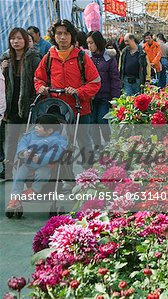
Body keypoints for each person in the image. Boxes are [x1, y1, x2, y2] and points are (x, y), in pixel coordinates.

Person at [34, 19, 101, 167]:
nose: (62, 37)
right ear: (54, 36)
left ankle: (89, 175)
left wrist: (79, 92)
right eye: (59, 33)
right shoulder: (49, 57)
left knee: (84, 142)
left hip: (80, 110)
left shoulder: (81, 57)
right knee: (61, 146)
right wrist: (41, 87)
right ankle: (67, 180)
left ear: (72, 36)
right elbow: (38, 78)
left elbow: (95, 82)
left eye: (66, 33)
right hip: (57, 110)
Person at [2, 28, 42, 179]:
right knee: (11, 139)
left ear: (25, 40)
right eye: (13, 39)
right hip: (11, 105)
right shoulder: (5, 58)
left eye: (19, 38)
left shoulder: (34, 58)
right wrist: (2, 68)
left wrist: (34, 100)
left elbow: (40, 80)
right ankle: (8, 169)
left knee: (30, 139)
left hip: (29, 105)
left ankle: (29, 171)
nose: (15, 42)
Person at [7, 114, 68, 212]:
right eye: (36, 125)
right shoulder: (30, 135)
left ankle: (33, 190)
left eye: (39, 127)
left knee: (42, 174)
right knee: (18, 176)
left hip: (45, 165)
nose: (36, 128)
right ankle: (15, 198)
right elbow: (22, 143)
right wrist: (24, 152)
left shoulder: (57, 140)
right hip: (28, 164)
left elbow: (56, 152)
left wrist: (41, 157)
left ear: (49, 131)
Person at [86, 31, 121, 149]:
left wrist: (115, 97)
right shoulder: (87, 57)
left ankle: (109, 143)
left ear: (98, 42)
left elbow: (115, 78)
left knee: (102, 120)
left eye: (91, 43)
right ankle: (96, 146)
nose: (89, 46)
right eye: (88, 43)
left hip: (104, 96)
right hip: (90, 96)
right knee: (93, 122)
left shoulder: (109, 57)